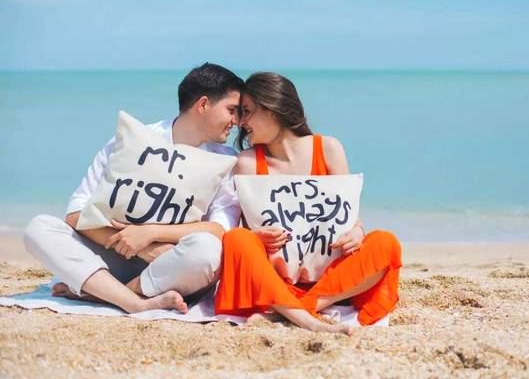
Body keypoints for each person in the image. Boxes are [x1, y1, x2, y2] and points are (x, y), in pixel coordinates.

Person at [24, 63, 243, 314]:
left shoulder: (224, 159)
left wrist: (151, 233)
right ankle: (134, 302)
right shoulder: (133, 139)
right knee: (40, 228)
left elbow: (220, 230)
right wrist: (137, 246)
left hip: (172, 263)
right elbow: (76, 213)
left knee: (207, 251)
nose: (236, 121)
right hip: (112, 256)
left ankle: (104, 294)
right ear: (203, 105)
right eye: (231, 110)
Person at [215, 72, 402, 333]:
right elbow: (249, 229)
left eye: (247, 111)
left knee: (385, 242)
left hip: (331, 280)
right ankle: (310, 321)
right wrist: (257, 236)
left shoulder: (328, 148)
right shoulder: (247, 162)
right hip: (276, 281)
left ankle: (300, 309)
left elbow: (346, 213)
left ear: (272, 108)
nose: (241, 122)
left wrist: (357, 232)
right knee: (237, 239)